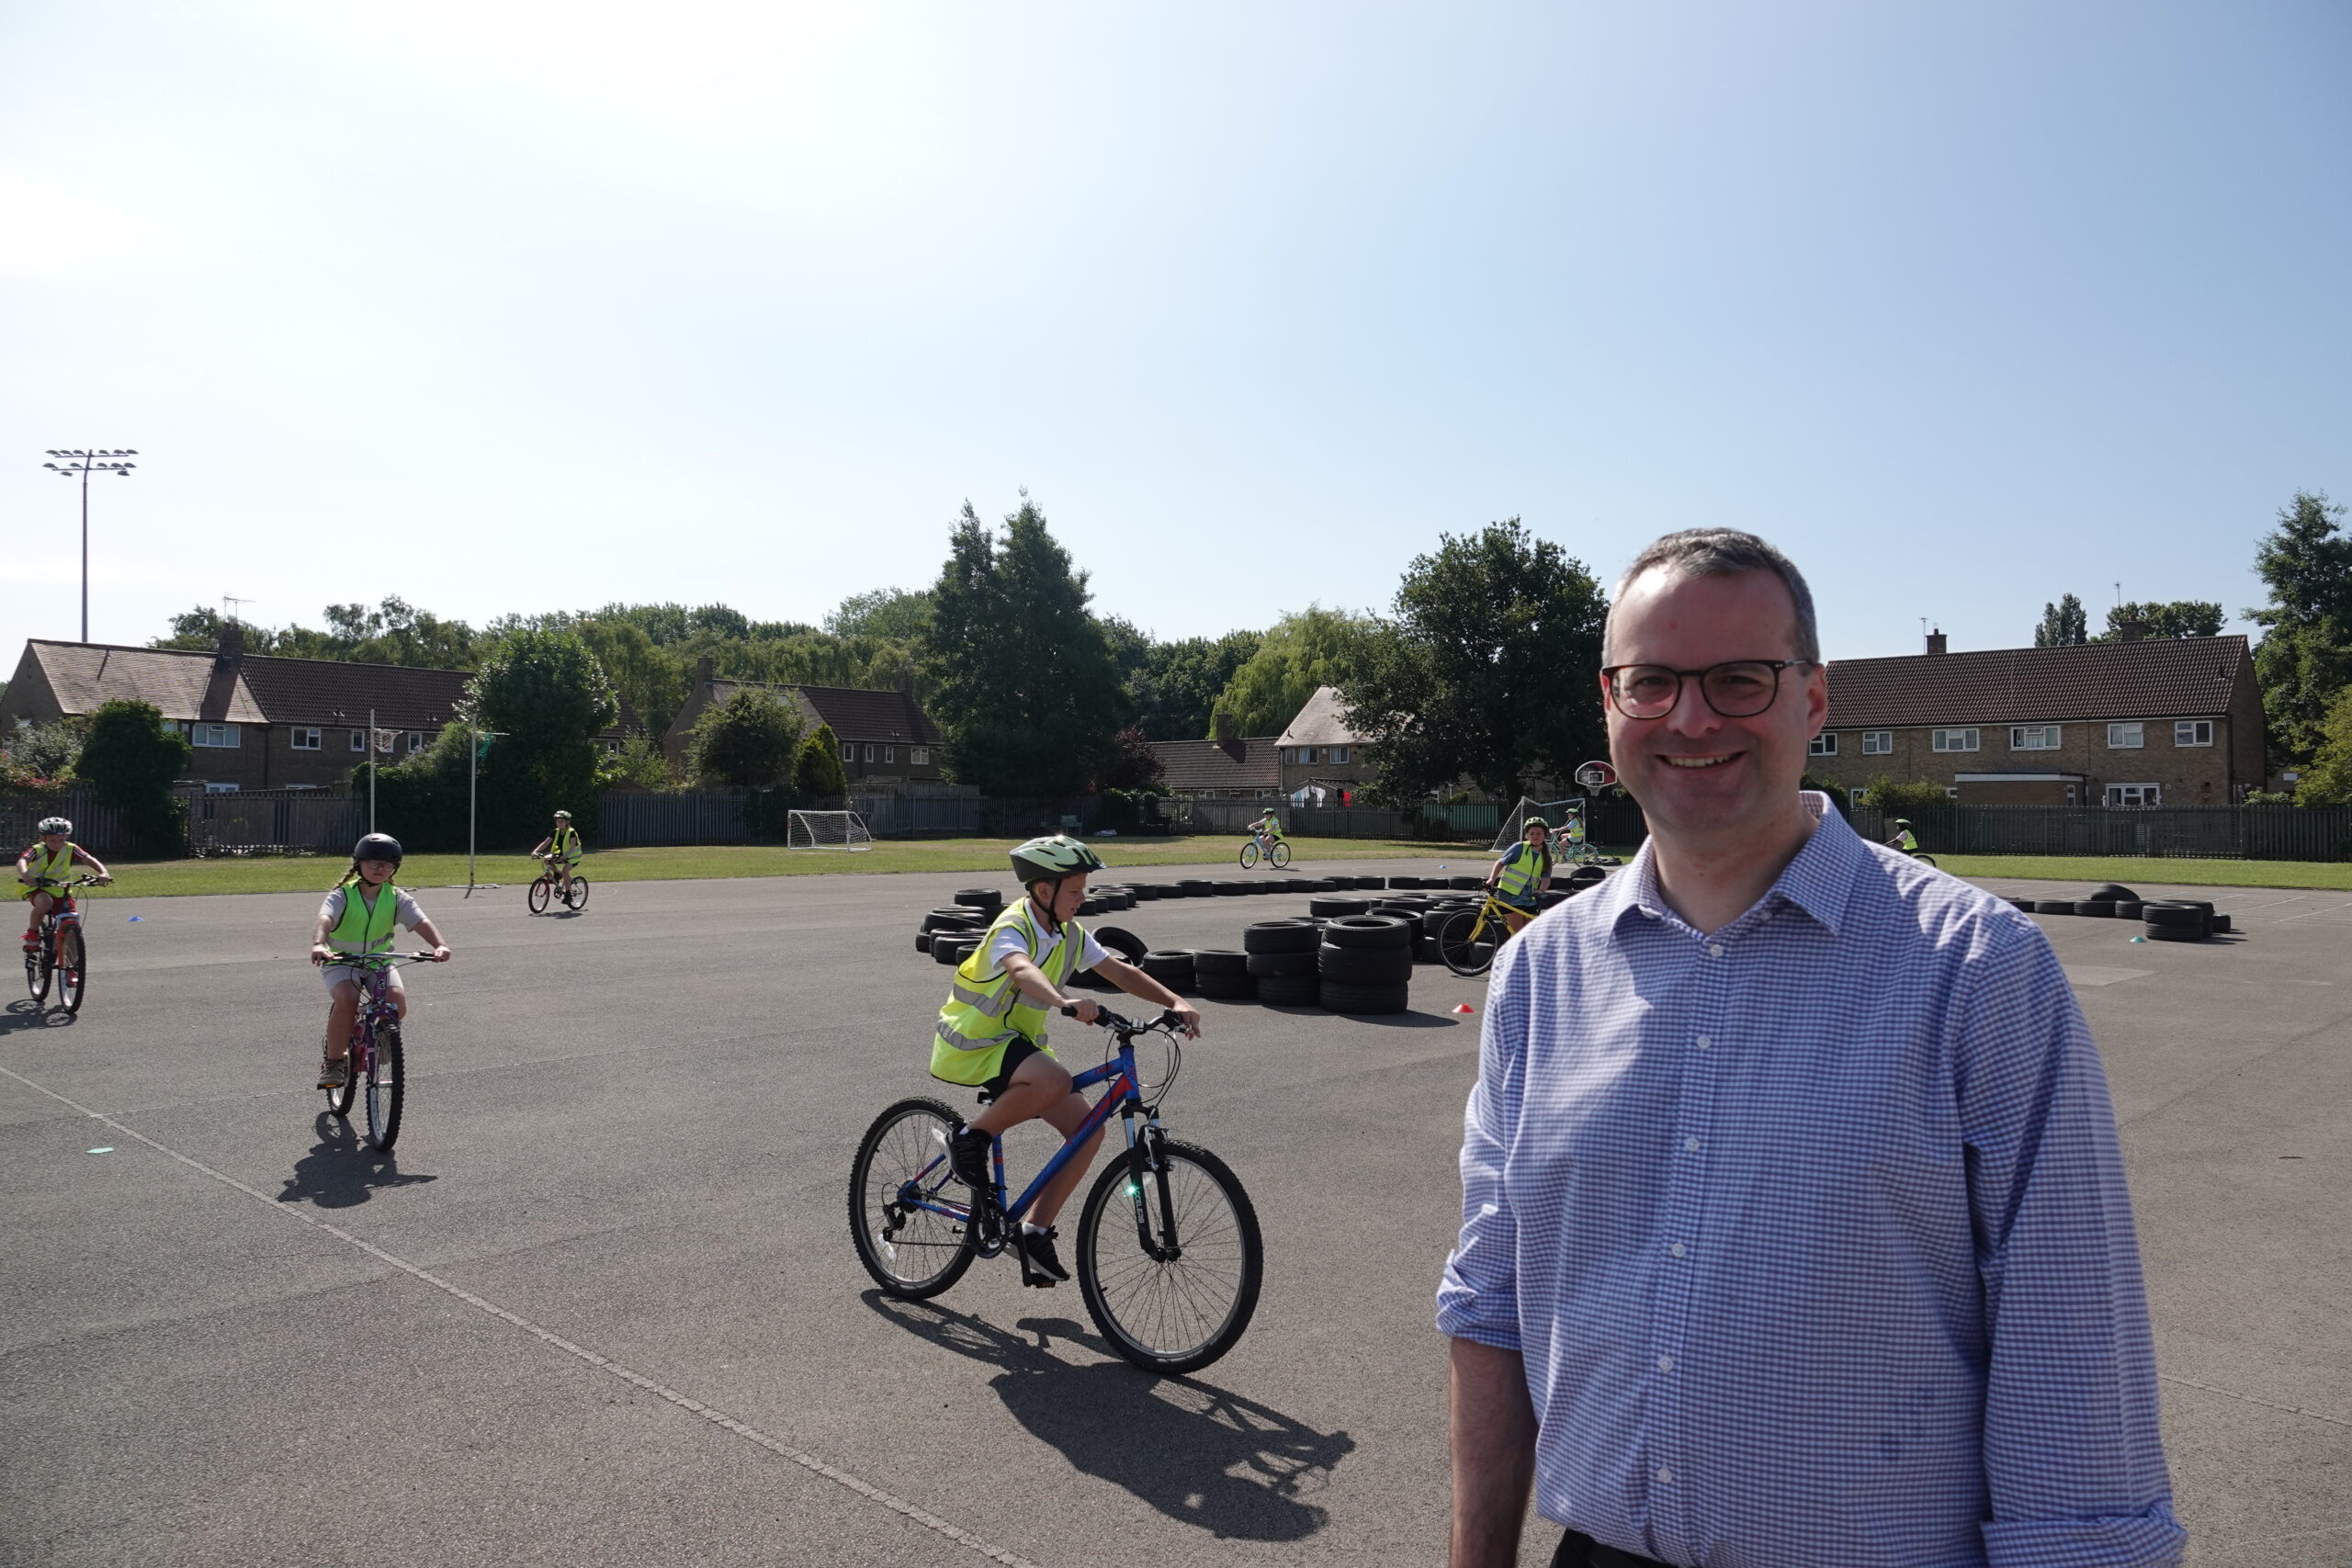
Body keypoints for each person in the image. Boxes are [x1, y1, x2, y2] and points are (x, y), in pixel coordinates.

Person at [1439, 529, 2182, 1568]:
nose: (1689, 719)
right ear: (1608, 704)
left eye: (1738, 680)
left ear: (1813, 702)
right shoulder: (1537, 978)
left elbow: (2065, 1351)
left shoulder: (1974, 971)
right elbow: (1491, 1302)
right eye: (1649, 683)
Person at [933, 835, 1202, 1287]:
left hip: (1014, 1044)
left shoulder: (1068, 934)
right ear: (1044, 891)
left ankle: (1033, 1230)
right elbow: (1021, 969)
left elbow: (1120, 971)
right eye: (1075, 890)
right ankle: (970, 1138)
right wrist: (1063, 1001)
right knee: (1055, 1079)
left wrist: (1175, 1001)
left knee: (1088, 1130)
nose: (1084, 897)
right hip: (974, 1040)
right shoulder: (1012, 927)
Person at [309, 833, 451, 1090]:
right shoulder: (343, 895)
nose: (379, 868)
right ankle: (333, 1062)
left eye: (387, 864)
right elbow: (325, 919)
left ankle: (380, 1036)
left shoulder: (397, 897)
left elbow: (421, 922)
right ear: (358, 864)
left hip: (379, 961)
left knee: (397, 1005)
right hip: (342, 961)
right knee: (348, 1000)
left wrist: (439, 945)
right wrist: (319, 944)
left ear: (394, 868)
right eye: (373, 862)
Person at [17, 817, 110, 951]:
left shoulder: (71, 849)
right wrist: (26, 874)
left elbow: (88, 859)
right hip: (36, 887)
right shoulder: (37, 850)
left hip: (61, 888)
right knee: (45, 903)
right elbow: (22, 861)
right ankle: (32, 933)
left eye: (61, 840)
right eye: (52, 840)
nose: (57, 844)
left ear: (66, 837)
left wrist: (103, 872)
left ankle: (72, 966)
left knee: (72, 924)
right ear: (43, 838)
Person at [1482, 817, 1551, 936]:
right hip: (1510, 895)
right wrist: (1492, 879)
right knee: (1518, 934)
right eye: (1532, 833)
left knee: (1529, 935)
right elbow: (1500, 863)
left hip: (1530, 897)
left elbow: (1546, 877)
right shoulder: (1519, 847)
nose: (1535, 836)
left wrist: (1541, 890)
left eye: (1539, 833)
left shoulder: (1546, 856)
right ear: (1527, 835)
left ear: (1545, 835)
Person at [530, 809, 583, 898]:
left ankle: (568, 894)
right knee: (546, 859)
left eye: (562, 821)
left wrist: (564, 856)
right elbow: (545, 843)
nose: (560, 823)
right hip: (561, 855)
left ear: (567, 822)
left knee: (565, 871)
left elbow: (572, 847)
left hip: (573, 856)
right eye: (558, 821)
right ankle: (557, 874)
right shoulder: (555, 831)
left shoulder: (571, 832)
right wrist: (535, 851)